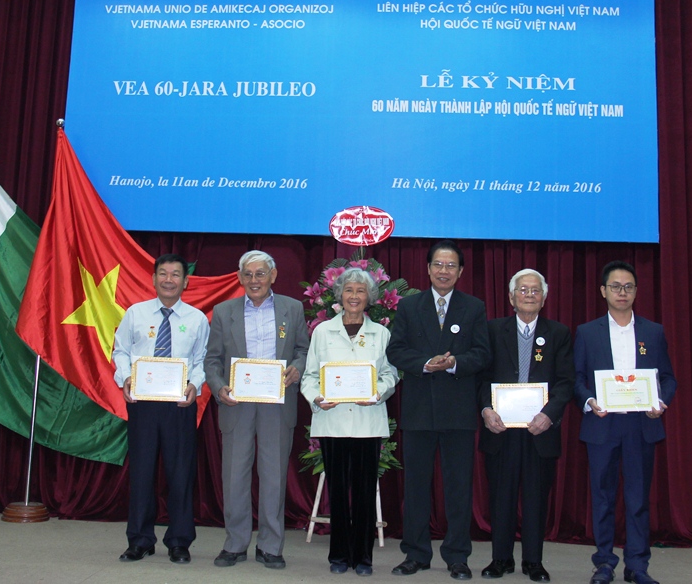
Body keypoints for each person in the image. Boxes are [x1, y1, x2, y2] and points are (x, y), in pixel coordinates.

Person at [387, 239, 491, 580]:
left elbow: (483, 353)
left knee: (458, 487)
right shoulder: (409, 306)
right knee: (416, 486)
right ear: (428, 269)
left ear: (460, 272)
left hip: (458, 411)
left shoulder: (473, 307)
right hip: (418, 410)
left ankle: (457, 556)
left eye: (451, 266)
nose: (444, 271)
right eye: (438, 265)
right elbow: (395, 351)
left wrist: (454, 362)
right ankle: (415, 554)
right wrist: (425, 364)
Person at [204, 251, 309, 569]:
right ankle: (235, 544)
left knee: (274, 476)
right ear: (239, 278)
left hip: (278, 401)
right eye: (248, 274)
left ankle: (270, 546)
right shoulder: (224, 311)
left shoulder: (292, 308)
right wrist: (218, 387)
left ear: (273, 275)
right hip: (237, 402)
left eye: (260, 273)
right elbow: (212, 359)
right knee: (234, 475)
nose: (254, 280)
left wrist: (297, 367)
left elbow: (303, 349)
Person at [574, 261, 676, 584]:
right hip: (602, 425)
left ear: (635, 292)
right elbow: (576, 378)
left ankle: (637, 565)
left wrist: (660, 402)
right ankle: (604, 563)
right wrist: (589, 401)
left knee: (637, 499)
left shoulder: (653, 331)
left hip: (640, 426)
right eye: (615, 287)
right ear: (603, 291)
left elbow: (668, 378)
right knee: (603, 498)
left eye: (628, 287)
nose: (622, 292)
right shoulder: (587, 332)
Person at [112, 253, 210, 564]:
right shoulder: (135, 313)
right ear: (153, 279)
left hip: (179, 405)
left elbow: (202, 359)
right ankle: (140, 540)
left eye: (175, 274)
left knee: (180, 474)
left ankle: (179, 541)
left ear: (186, 281)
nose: (169, 280)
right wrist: (126, 377)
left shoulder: (196, 319)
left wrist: (195, 384)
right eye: (163, 274)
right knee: (141, 473)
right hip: (143, 403)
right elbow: (120, 351)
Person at [478, 269, 574, 583]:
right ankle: (501, 559)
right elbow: (480, 377)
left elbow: (566, 382)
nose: (529, 295)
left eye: (535, 290)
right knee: (501, 497)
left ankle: (534, 562)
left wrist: (549, 414)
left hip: (539, 430)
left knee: (535, 498)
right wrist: (486, 409)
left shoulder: (558, 333)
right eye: (523, 290)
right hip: (501, 429)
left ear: (544, 298)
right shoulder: (493, 330)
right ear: (511, 297)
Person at [302, 268, 398, 576]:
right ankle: (339, 555)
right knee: (338, 490)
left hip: (368, 421)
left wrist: (377, 393)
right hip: (332, 420)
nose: (354, 296)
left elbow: (390, 374)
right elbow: (309, 376)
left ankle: (363, 558)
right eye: (348, 290)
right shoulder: (322, 331)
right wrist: (317, 397)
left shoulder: (381, 333)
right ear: (339, 295)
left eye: (360, 291)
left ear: (369, 297)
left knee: (365, 491)